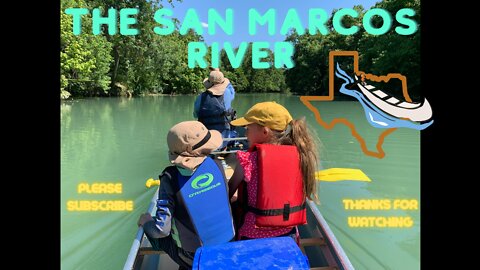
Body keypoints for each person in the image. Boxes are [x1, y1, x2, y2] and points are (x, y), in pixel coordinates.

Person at [137, 121, 235, 269]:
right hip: (229, 246)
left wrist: (147, 223)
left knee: (151, 229)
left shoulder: (169, 178)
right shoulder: (217, 164)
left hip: (195, 256)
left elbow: (161, 230)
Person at [228, 101, 319, 241]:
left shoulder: (248, 159)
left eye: (247, 128)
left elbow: (229, 191)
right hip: (289, 234)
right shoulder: (301, 155)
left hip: (252, 234)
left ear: (265, 132)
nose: (245, 133)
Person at [193, 68, 237, 148]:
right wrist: (219, 73)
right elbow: (232, 91)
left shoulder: (201, 97)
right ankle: (225, 150)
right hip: (223, 140)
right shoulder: (227, 93)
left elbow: (195, 115)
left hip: (206, 140)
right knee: (234, 132)